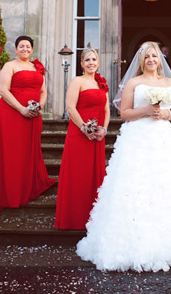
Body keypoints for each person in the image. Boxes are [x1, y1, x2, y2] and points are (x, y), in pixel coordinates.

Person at [77, 41, 171, 272]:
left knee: (165, 185)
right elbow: (125, 113)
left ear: (160, 60)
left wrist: (166, 113)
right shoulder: (133, 82)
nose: (151, 59)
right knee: (136, 185)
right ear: (142, 60)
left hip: (163, 138)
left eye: (155, 56)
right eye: (147, 56)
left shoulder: (170, 83)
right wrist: (146, 111)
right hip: (137, 138)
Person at [0, 36, 56, 214]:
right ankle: (11, 193)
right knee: (13, 152)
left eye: (28, 46)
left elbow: (43, 91)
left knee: (28, 152)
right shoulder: (10, 66)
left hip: (32, 115)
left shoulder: (37, 67)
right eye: (21, 46)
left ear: (32, 49)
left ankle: (26, 188)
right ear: (16, 49)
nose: (25, 49)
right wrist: (21, 109)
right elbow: (3, 90)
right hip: (12, 114)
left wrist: (40, 105)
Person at [55, 47, 110, 229]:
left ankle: (92, 218)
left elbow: (106, 110)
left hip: (97, 137)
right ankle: (74, 218)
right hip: (79, 134)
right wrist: (84, 128)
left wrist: (104, 129)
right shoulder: (77, 81)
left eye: (94, 59)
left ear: (98, 62)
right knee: (78, 175)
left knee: (94, 176)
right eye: (87, 60)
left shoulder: (102, 84)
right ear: (81, 64)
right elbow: (70, 107)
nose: (91, 63)